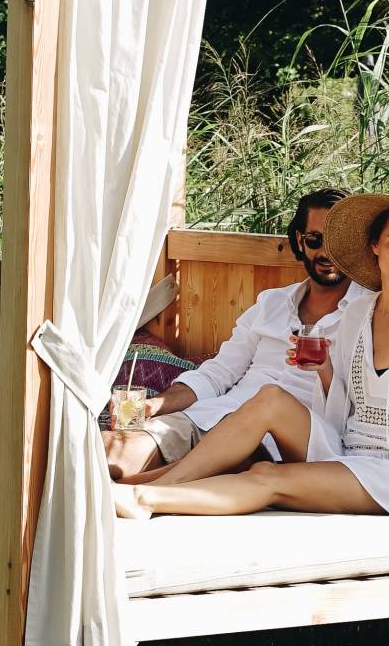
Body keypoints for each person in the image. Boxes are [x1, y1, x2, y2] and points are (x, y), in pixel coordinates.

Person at [117, 190, 389, 518]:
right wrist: (326, 369)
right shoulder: (359, 311)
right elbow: (343, 400)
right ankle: (139, 489)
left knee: (267, 479)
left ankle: (145, 498)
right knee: (270, 397)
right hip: (347, 447)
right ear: (374, 247)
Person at [106, 186, 361, 482]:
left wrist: (325, 371)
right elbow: (217, 374)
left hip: (277, 450)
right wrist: (154, 405)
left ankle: (137, 489)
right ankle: (125, 490)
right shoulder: (271, 304)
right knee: (109, 451)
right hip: (212, 418)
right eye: (315, 240)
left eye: (338, 241)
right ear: (300, 243)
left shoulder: (367, 315)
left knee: (241, 455)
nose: (326, 252)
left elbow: (357, 409)